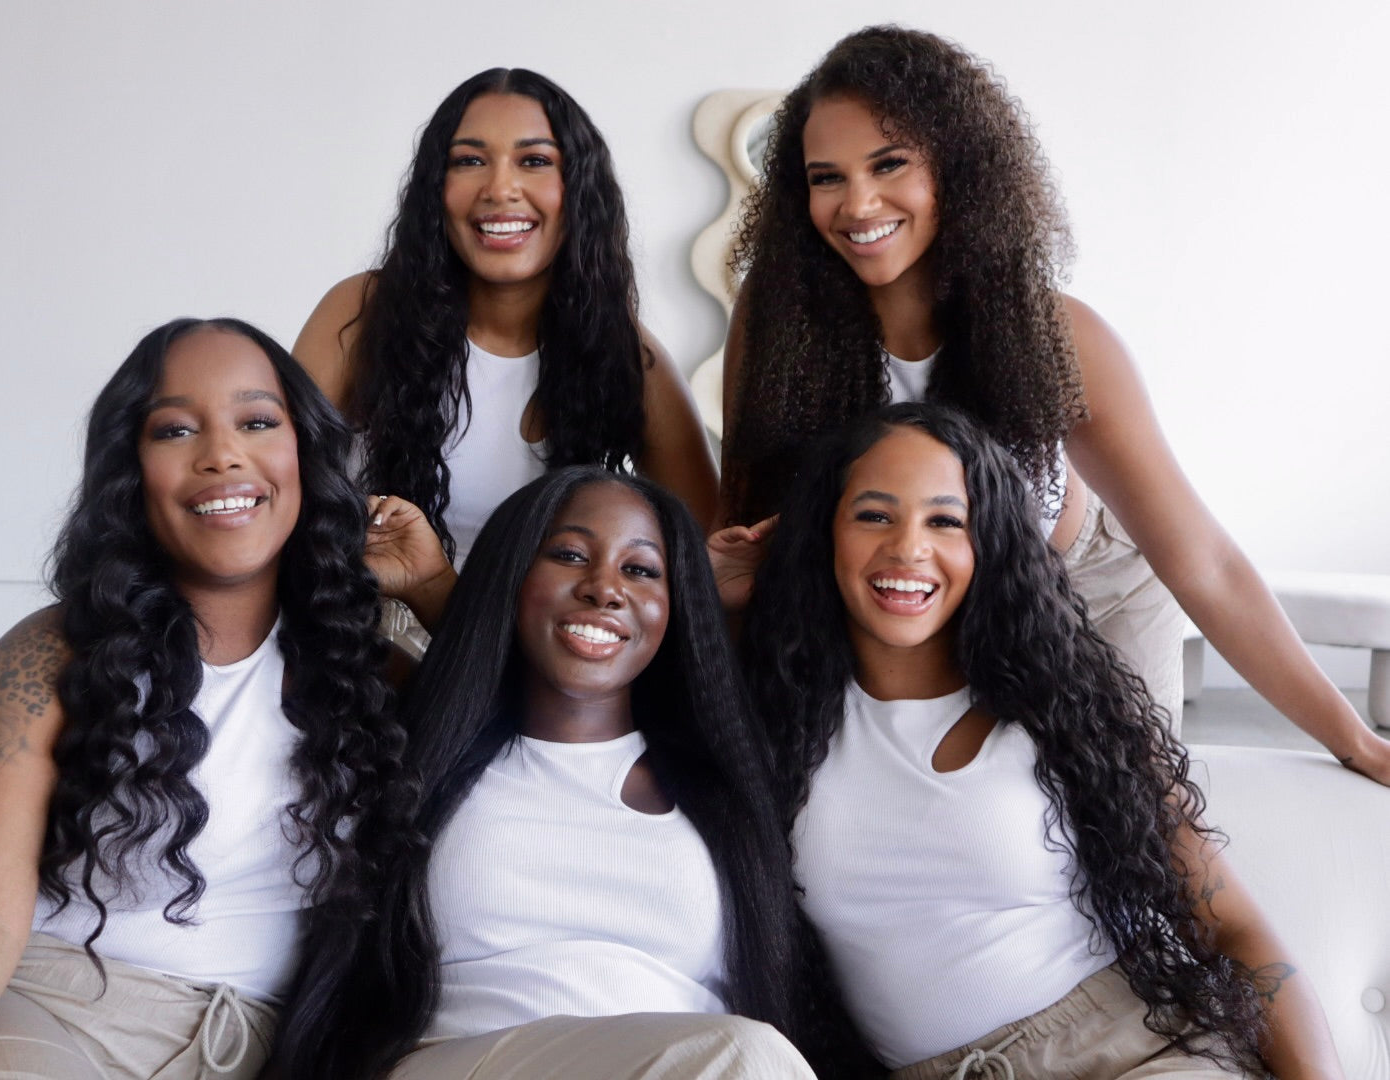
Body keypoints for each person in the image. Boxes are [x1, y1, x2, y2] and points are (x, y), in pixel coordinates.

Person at [719, 24, 1390, 778]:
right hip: (922, 596)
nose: (858, 203)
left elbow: (1204, 564)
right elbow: (743, 528)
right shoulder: (778, 322)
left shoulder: (1056, 335)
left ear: (956, 166)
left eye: (889, 163)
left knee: (1133, 805)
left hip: (1094, 585)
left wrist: (1358, 743)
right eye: (827, 177)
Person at [0, 318, 424, 1080]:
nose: (222, 454)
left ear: (305, 453)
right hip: (34, 1001)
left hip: (248, 1046)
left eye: (257, 422)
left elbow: (535, 721)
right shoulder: (48, 662)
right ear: (131, 471)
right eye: (175, 430)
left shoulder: (366, 672)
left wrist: (434, 588)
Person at [743, 403, 1344, 1079]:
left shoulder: (1067, 709)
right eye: (875, 515)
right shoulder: (776, 723)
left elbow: (1234, 929)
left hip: (1132, 1051)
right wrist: (711, 591)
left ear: (989, 542)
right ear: (823, 531)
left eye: (946, 521)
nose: (909, 547)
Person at [274, 467, 819, 1080]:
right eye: (569, 555)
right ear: (513, 574)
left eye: (640, 570)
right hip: (459, 1060)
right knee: (747, 1056)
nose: (604, 588)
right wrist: (425, 583)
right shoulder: (416, 753)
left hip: (689, 1065)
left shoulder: (723, 791)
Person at [294, 67, 718, 573]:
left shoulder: (622, 353)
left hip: (535, 624)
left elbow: (702, 550)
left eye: (534, 161)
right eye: (469, 160)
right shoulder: (361, 310)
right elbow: (277, 491)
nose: (499, 188)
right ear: (436, 187)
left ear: (579, 189)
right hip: (367, 615)